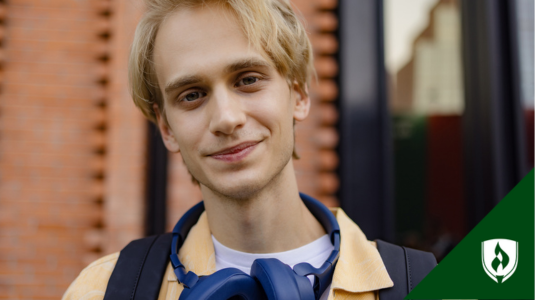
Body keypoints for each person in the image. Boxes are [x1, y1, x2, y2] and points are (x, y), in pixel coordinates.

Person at [62, 0, 435, 299]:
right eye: (192, 95)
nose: (226, 118)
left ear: (299, 94)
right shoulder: (101, 291)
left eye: (248, 80)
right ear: (166, 128)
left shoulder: (429, 287)